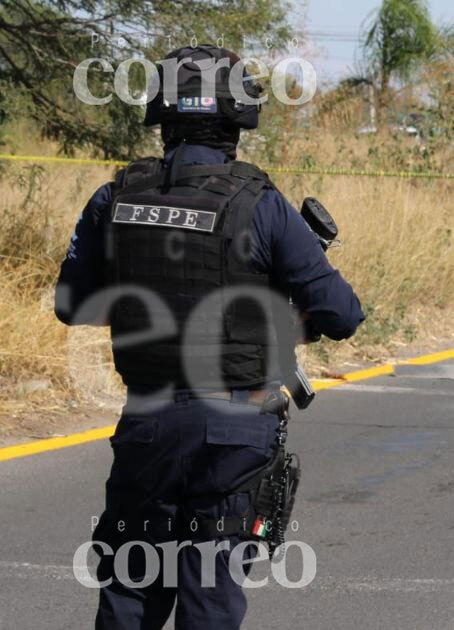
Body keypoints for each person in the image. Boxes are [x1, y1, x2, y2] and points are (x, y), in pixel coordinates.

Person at [54, 45, 365, 628]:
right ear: (238, 119)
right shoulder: (261, 203)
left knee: (129, 594)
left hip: (147, 428)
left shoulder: (113, 197)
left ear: (162, 116)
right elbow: (343, 315)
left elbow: (70, 305)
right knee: (210, 598)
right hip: (234, 431)